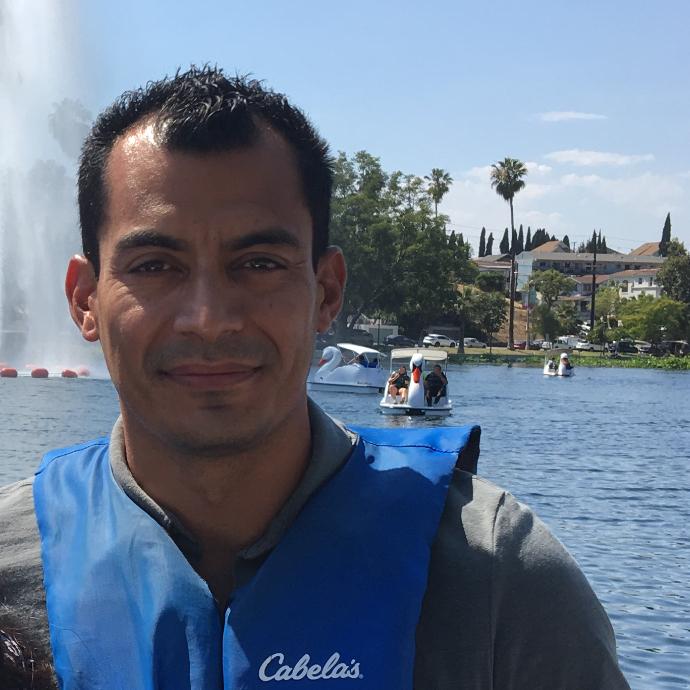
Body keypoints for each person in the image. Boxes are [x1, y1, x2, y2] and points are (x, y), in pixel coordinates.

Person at [0, 67, 630, 689]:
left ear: (326, 291)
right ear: (84, 298)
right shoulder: (11, 568)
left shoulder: (497, 578)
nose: (208, 320)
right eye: (155, 265)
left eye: (258, 263)